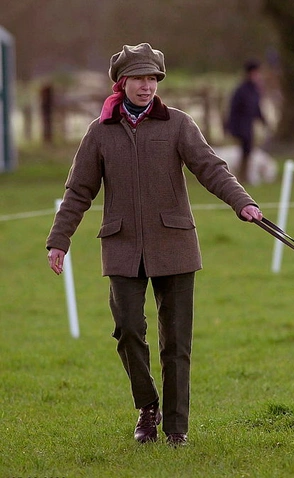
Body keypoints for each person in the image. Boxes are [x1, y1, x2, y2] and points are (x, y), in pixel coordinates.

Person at [46, 43, 263, 447]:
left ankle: (176, 428)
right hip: (121, 246)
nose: (146, 86)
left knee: (177, 342)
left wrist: (243, 201)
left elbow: (210, 167)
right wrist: (59, 241)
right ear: (121, 82)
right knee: (128, 330)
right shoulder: (99, 132)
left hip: (176, 245)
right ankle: (148, 406)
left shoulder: (178, 124)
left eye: (152, 79)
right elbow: (78, 191)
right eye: (138, 79)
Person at [226, 59, 267, 183]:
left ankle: (245, 175)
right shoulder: (242, 90)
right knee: (244, 151)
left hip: (248, 125)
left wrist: (262, 119)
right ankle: (241, 176)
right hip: (241, 126)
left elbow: (256, 107)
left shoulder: (254, 89)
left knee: (247, 151)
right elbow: (234, 109)